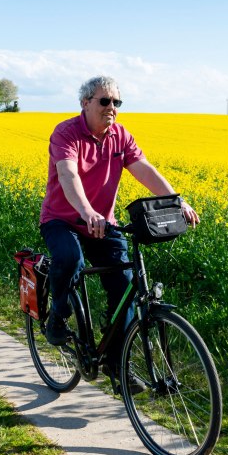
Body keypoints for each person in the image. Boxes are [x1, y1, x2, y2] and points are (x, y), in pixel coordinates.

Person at [40, 76, 199, 390]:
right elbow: (68, 174)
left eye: (116, 102)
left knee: (126, 288)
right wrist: (86, 212)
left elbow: (144, 169)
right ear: (85, 103)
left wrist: (176, 202)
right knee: (70, 258)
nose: (111, 108)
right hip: (62, 219)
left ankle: (117, 364)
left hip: (103, 222)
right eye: (104, 101)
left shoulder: (120, 136)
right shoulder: (66, 133)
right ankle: (57, 315)